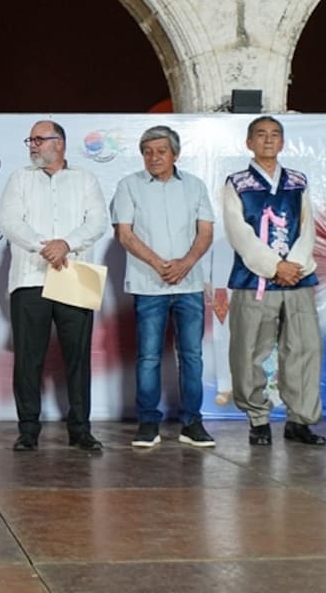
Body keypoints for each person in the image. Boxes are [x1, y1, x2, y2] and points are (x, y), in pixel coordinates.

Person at [0, 120, 108, 452]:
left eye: (38, 139)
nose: (32, 145)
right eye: (29, 140)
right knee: (28, 359)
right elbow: (10, 222)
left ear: (58, 143)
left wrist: (67, 244)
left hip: (74, 273)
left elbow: (97, 221)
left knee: (77, 357)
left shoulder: (85, 179)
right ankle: (28, 429)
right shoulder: (19, 179)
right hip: (30, 277)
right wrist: (44, 246)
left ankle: (80, 428)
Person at [222, 116, 326, 446]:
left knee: (304, 349)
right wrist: (273, 266)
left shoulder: (298, 181)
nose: (268, 140)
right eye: (261, 135)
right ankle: (258, 418)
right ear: (249, 143)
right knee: (249, 350)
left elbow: (307, 227)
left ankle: (300, 420)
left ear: (283, 143)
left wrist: (293, 264)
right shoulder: (237, 183)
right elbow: (239, 233)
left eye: (275, 135)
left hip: (298, 277)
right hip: (254, 280)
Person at [111, 125, 216, 448]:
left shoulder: (195, 186)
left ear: (175, 154)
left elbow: (206, 232)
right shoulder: (129, 186)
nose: (154, 157)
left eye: (161, 151)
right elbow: (124, 234)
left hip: (190, 283)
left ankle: (192, 423)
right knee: (149, 357)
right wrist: (160, 264)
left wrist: (185, 263)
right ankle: (147, 423)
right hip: (148, 284)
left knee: (192, 356)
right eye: (147, 152)